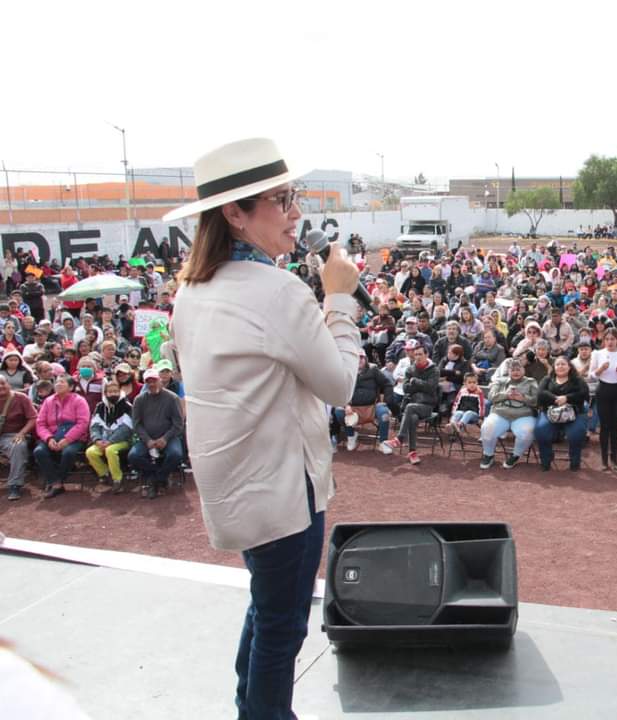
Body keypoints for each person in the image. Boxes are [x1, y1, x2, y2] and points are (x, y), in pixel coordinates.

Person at [168, 138, 361, 719]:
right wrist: (339, 300)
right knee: (282, 625)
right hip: (283, 492)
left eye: (292, 196)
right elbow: (340, 385)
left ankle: (248, 706)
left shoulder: (191, 289)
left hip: (235, 488)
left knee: (265, 607)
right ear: (235, 213)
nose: (295, 212)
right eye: (280, 200)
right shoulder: (279, 290)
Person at [128, 367, 185, 498]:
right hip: (147, 439)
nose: (152, 384)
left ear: (159, 380)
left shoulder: (172, 398)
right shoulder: (139, 400)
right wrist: (147, 440)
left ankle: (156, 480)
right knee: (133, 456)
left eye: (154, 380)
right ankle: (158, 477)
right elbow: (136, 424)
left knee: (176, 454)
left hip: (169, 438)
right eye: (148, 382)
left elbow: (178, 424)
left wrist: (165, 438)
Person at [33, 374, 90, 498]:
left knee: (68, 452)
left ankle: (57, 482)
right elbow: (40, 423)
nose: (58, 384)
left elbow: (83, 423)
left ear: (71, 387)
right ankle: (55, 482)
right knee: (39, 451)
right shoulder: (48, 401)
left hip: (75, 438)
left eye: (62, 382)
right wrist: (49, 438)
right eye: (57, 382)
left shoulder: (79, 400)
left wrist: (67, 439)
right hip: (52, 436)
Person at [380, 344, 439, 465]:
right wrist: (421, 385)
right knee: (412, 417)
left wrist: (415, 381)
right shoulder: (410, 370)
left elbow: (431, 387)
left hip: (427, 406)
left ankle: (399, 438)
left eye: (420, 354)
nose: (417, 357)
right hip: (412, 405)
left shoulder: (434, 370)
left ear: (427, 355)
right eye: (416, 354)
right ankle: (412, 452)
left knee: (409, 407)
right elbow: (406, 389)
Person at [479, 358, 538, 469]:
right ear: (508, 371)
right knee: (487, 428)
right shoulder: (500, 381)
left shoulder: (531, 382)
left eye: (518, 369)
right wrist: (506, 395)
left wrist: (523, 398)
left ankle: (515, 455)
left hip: (523, 415)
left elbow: (537, 401)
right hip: (500, 413)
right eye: (513, 370)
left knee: (527, 432)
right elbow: (491, 397)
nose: (516, 372)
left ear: (523, 370)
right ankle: (488, 455)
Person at [589, 328, 617, 470]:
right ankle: (604, 460)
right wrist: (600, 370)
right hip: (603, 390)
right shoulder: (597, 354)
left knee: (615, 426)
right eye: (607, 339)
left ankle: (614, 458)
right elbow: (591, 376)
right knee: (604, 426)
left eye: (612, 339)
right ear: (604, 340)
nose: (610, 342)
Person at [534, 356, 589, 471]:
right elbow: (540, 393)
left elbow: (584, 394)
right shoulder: (547, 379)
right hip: (550, 413)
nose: (560, 366)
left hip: (573, 414)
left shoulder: (578, 380)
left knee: (576, 435)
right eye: (557, 364)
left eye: (563, 364)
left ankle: (575, 461)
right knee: (541, 431)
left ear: (569, 367)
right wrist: (556, 398)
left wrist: (567, 398)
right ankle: (546, 459)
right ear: (554, 367)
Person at [85, 379, 135, 492]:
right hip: (103, 440)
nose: (113, 394)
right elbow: (94, 426)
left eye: (115, 391)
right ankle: (105, 474)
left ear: (120, 391)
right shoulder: (100, 407)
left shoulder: (127, 406)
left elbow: (126, 429)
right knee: (90, 452)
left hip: (123, 441)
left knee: (110, 450)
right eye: (110, 392)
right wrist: (97, 439)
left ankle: (117, 479)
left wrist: (110, 441)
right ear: (105, 393)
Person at [338, 352, 392, 451]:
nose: (359, 360)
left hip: (372, 407)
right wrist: (346, 405)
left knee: (384, 413)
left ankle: (383, 442)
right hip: (353, 409)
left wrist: (386, 402)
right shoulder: (346, 372)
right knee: (339, 411)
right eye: (356, 357)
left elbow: (387, 384)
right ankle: (351, 435)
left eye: (361, 357)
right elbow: (340, 391)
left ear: (366, 359)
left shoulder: (373, 370)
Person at [0, 375, 36, 501]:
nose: (0, 386)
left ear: (9, 384)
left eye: (3, 383)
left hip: (15, 434)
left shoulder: (21, 398)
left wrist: (22, 433)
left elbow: (33, 418)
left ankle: (15, 484)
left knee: (18, 446)